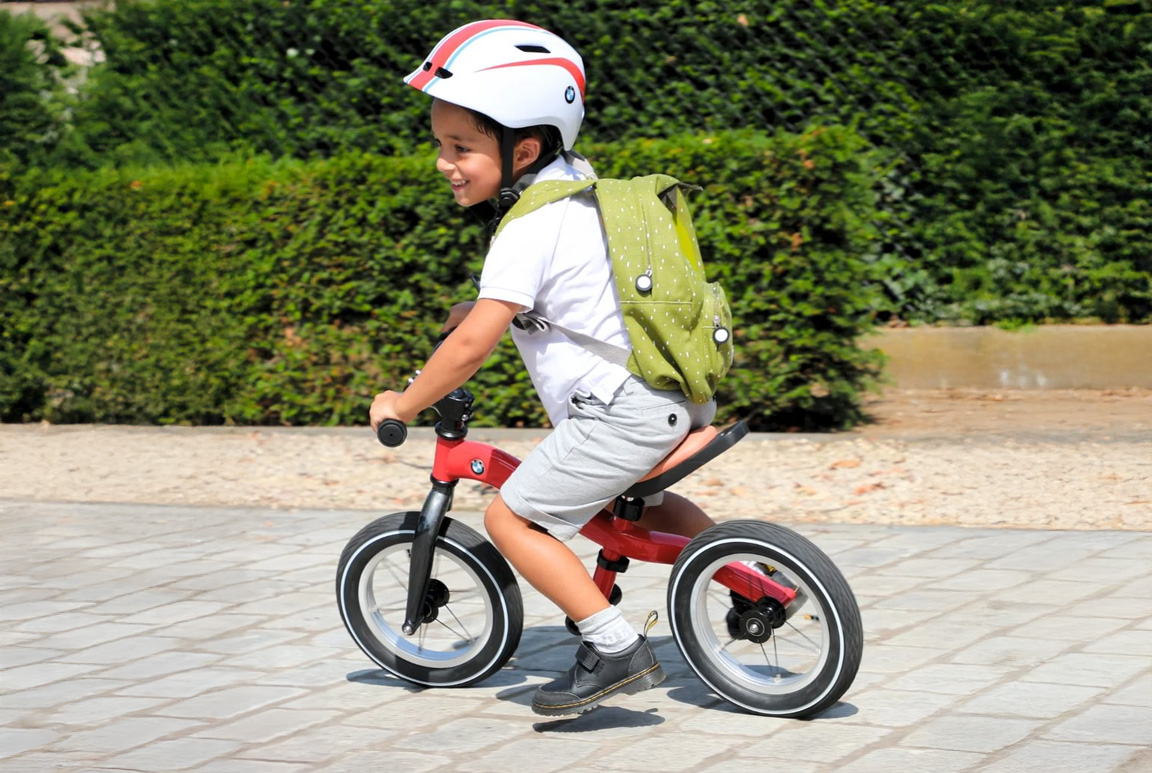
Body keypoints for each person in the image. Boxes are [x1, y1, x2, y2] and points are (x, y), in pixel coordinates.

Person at [369, 19, 719, 717]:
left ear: (523, 148)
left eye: (461, 147)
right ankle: (748, 572)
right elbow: (572, 287)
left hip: (622, 411)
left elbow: (471, 348)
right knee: (641, 509)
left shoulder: (526, 226)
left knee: (512, 520)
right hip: (668, 391)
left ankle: (616, 649)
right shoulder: (578, 185)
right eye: (439, 144)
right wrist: (477, 306)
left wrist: (402, 404)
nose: (443, 162)